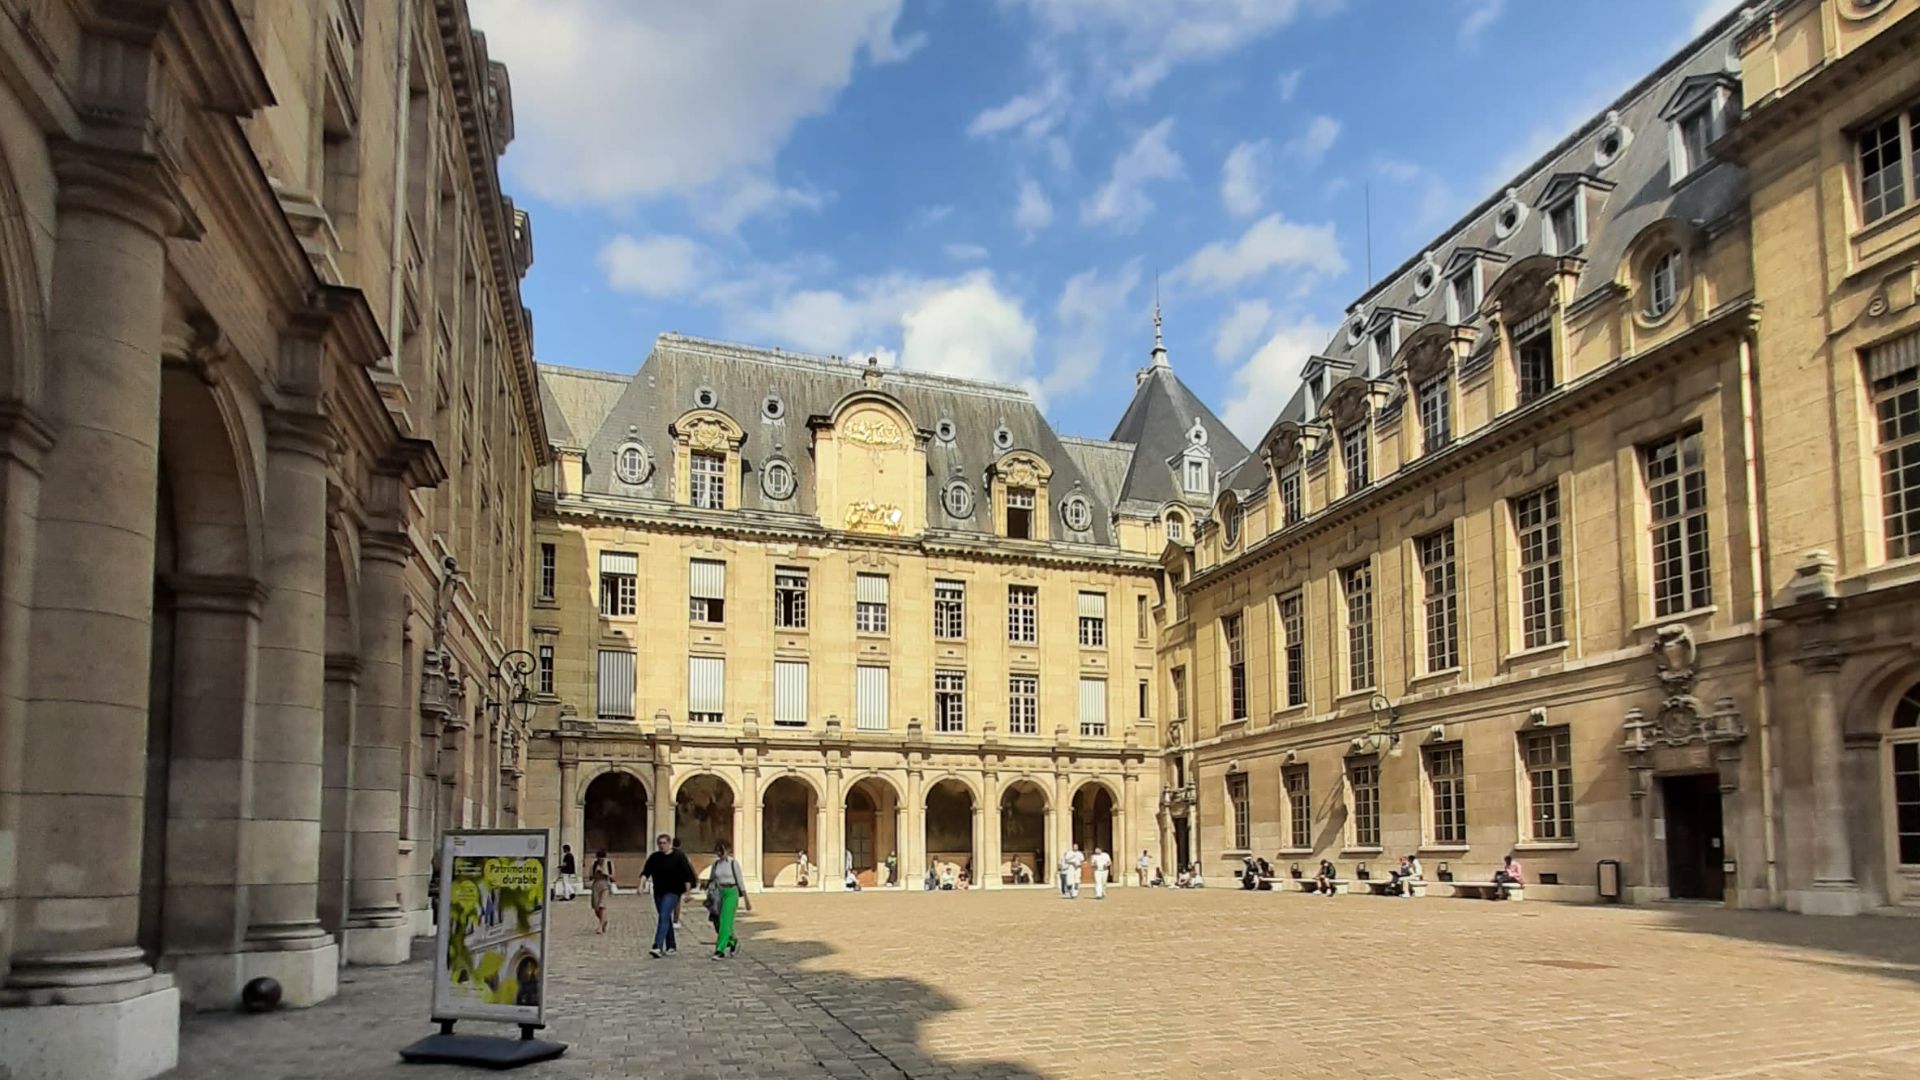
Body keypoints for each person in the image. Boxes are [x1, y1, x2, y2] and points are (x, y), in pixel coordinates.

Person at [640, 833, 696, 957]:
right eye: (660, 843)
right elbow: (646, 872)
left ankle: (657, 946)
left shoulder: (679, 857)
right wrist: (641, 886)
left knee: (664, 915)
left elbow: (687, 875)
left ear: (669, 844)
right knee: (664, 917)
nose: (662, 846)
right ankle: (671, 946)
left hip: (673, 892)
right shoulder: (654, 857)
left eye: (664, 843)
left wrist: (687, 893)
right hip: (659, 891)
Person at [706, 841, 751, 960]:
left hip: (731, 892)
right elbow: (712, 879)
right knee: (718, 922)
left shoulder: (733, 863)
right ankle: (732, 941)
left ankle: (719, 950)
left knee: (725, 920)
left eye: (722, 851)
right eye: (718, 851)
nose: (720, 853)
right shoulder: (716, 864)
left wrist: (746, 900)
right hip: (719, 893)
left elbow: (740, 881)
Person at [588, 849, 616, 934]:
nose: (601, 860)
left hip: (605, 885)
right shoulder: (594, 864)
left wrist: (605, 873)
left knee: (602, 905)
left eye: (602, 858)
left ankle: (600, 926)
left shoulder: (609, 864)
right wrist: (595, 873)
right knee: (596, 908)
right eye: (599, 858)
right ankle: (603, 920)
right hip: (596, 885)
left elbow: (613, 877)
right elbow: (590, 877)